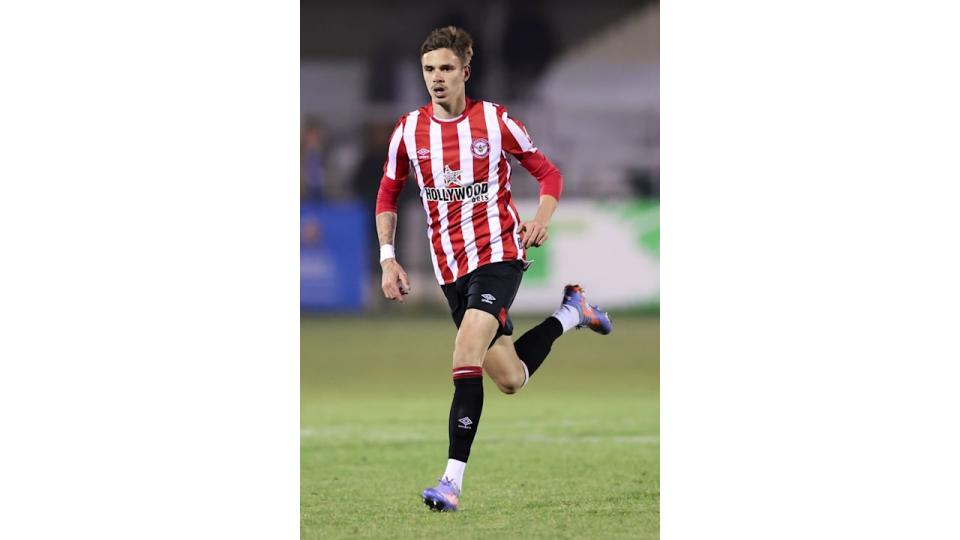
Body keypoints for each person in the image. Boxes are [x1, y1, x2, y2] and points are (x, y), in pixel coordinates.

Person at [373, 26, 613, 513]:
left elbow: (548, 172)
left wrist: (540, 219)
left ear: (466, 70)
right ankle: (573, 312)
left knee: (464, 349)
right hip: (450, 269)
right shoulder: (408, 130)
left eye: (445, 68)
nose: (436, 79)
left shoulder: (496, 121)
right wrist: (387, 256)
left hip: (499, 254)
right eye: (428, 70)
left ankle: (450, 482)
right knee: (509, 377)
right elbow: (387, 192)